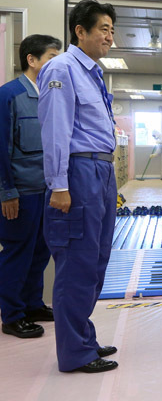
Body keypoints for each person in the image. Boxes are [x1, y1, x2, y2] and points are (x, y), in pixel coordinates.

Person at [37, 0, 119, 374]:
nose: (109, 36)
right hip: (78, 173)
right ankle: (74, 353)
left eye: (111, 30)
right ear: (80, 31)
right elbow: (55, 129)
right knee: (76, 263)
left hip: (100, 172)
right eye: (103, 29)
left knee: (96, 260)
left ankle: (82, 337)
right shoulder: (62, 68)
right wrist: (58, 185)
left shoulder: (93, 73)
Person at [0, 34, 61, 339]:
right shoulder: (9, 95)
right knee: (17, 252)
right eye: (52, 56)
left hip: (46, 190)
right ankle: (11, 316)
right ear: (32, 60)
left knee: (40, 251)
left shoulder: (52, 95)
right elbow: (0, 148)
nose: (57, 62)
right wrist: (6, 192)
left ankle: (32, 304)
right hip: (20, 193)